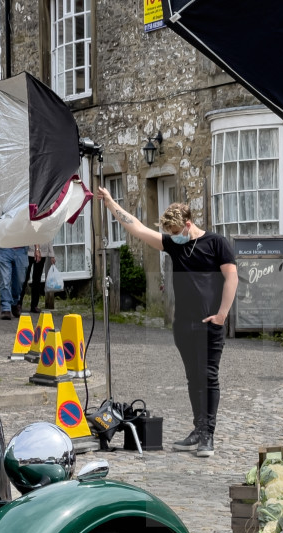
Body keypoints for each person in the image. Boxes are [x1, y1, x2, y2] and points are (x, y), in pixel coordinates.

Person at [95, 187, 238, 458]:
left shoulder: (216, 243)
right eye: (169, 233)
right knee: (192, 378)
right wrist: (111, 203)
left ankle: (208, 434)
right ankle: (198, 428)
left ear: (188, 223)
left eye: (175, 231)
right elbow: (136, 228)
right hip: (183, 323)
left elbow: (232, 277)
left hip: (210, 323)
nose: (173, 237)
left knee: (208, 377)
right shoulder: (174, 244)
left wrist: (222, 314)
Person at [24, 241, 55, 314]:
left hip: (43, 252)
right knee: (24, 278)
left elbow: (48, 237)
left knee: (37, 280)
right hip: (29, 251)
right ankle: (18, 303)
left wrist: (52, 254)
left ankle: (34, 305)